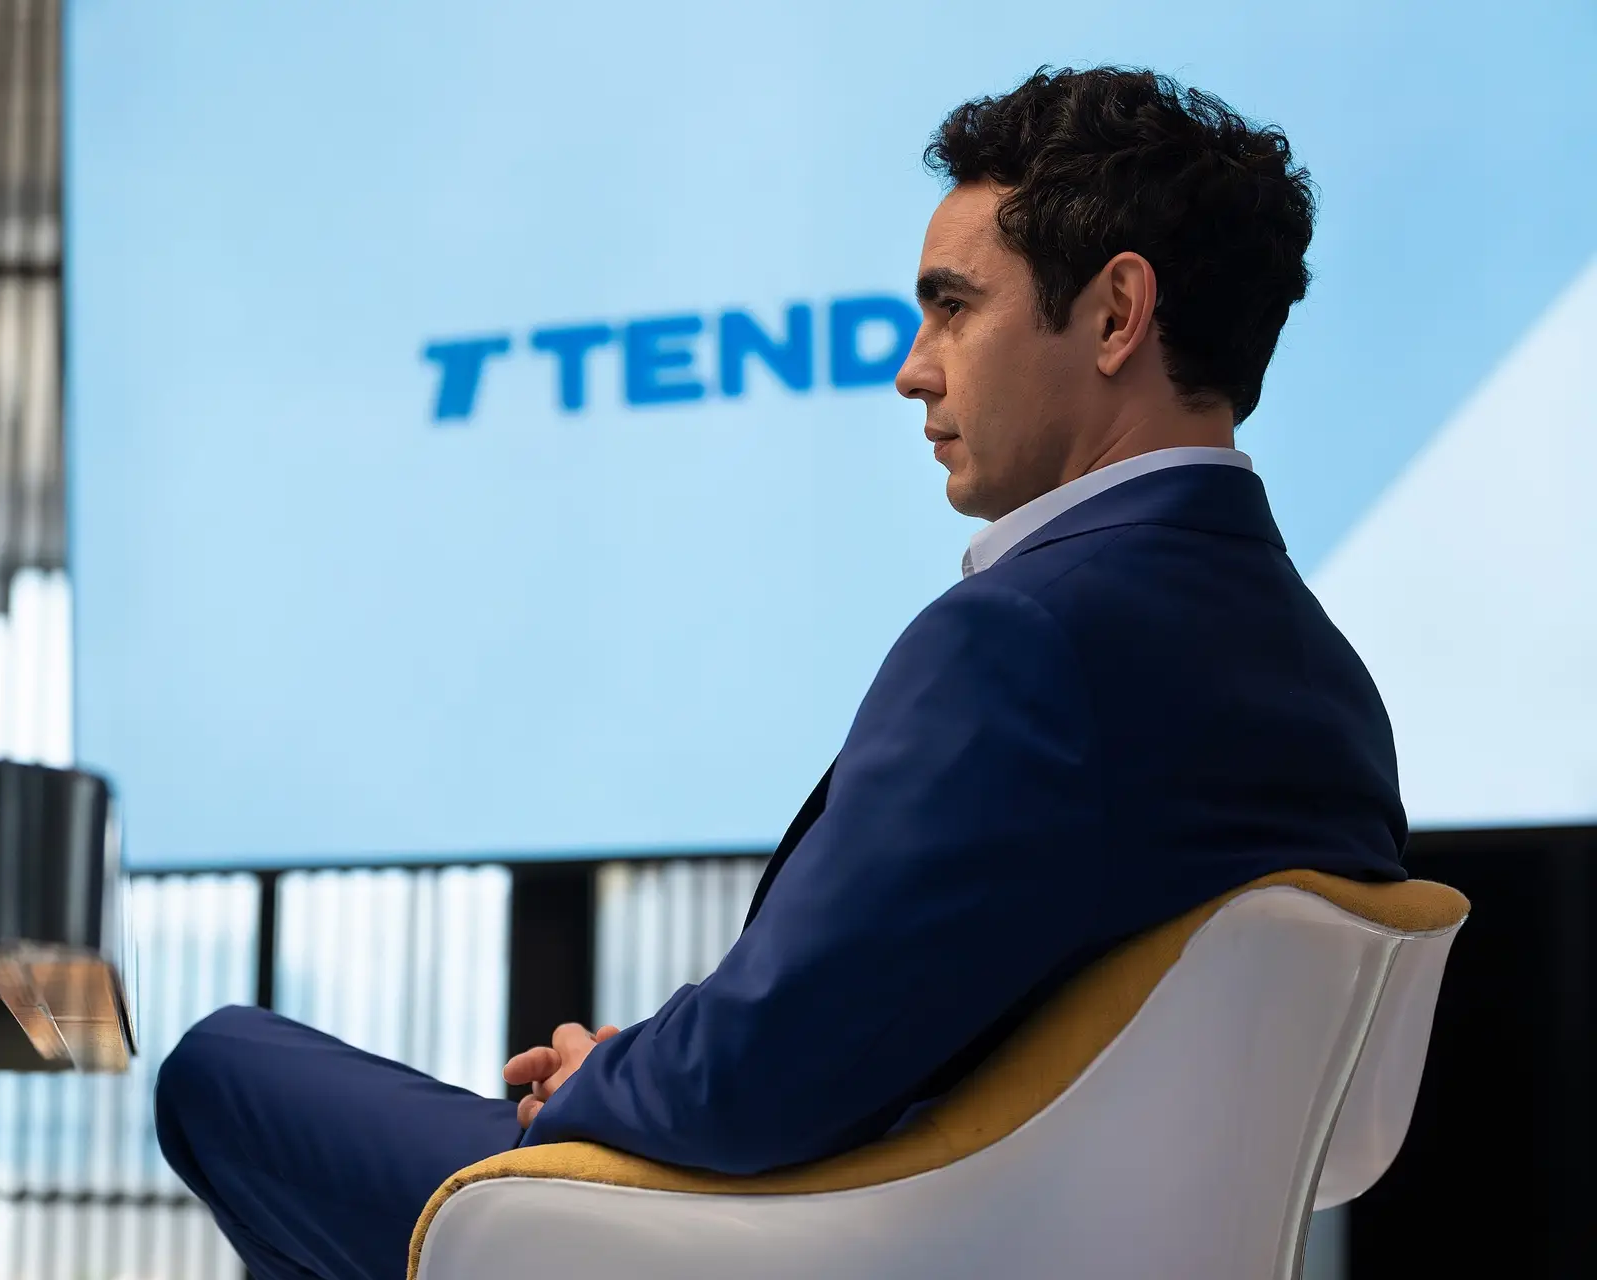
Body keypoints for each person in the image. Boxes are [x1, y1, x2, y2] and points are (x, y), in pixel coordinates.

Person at [154, 66, 1407, 1280]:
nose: (913, 366)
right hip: (983, 1221)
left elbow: (758, 1080)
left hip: (824, 1236)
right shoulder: (1330, 685)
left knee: (220, 1066)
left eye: (953, 306)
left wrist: (600, 1079)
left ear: (1117, 315)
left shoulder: (1032, 640)